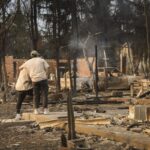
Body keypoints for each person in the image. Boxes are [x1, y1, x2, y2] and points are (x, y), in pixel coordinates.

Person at [19, 50, 50, 115]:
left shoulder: (28, 62)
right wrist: (47, 76)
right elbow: (47, 68)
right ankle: (45, 110)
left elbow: (20, 68)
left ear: (31, 56)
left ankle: (36, 110)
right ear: (37, 55)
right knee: (44, 94)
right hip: (43, 79)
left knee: (36, 95)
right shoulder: (41, 60)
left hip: (34, 80)